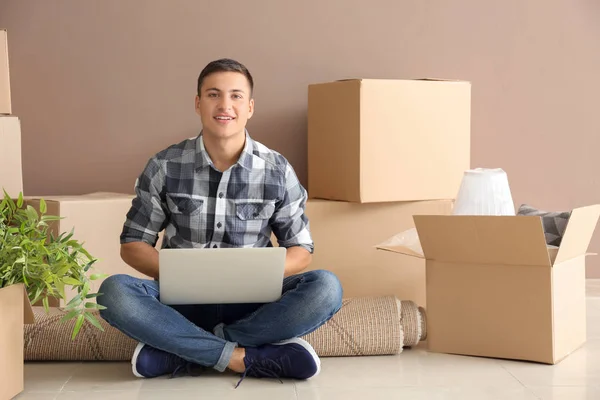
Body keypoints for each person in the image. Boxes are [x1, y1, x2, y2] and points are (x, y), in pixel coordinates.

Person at [97, 58, 343, 387]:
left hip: (255, 304)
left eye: (236, 96)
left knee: (326, 288)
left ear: (250, 107)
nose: (225, 105)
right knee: (113, 293)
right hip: (180, 303)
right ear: (198, 103)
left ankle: (184, 350)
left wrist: (256, 273)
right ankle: (244, 356)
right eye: (214, 95)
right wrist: (180, 274)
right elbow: (133, 244)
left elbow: (301, 249)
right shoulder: (165, 165)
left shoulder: (277, 169)